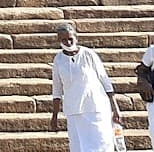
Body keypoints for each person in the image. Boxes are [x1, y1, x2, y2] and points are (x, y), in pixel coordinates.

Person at [50, 20, 123, 151]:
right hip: (74, 111)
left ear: (76, 38)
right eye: (64, 40)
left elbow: (104, 80)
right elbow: (57, 89)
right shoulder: (58, 60)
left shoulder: (88, 54)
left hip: (96, 108)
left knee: (101, 144)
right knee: (79, 147)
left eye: (70, 39)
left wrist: (115, 108)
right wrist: (54, 116)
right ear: (59, 41)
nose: (68, 42)